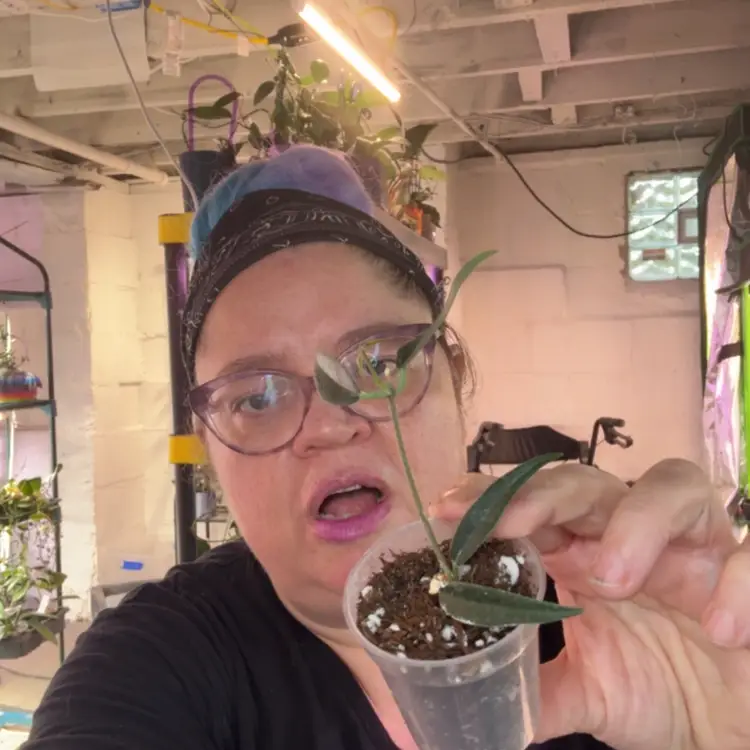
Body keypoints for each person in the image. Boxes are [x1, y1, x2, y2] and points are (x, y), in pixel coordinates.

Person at [25, 145, 750, 750]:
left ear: (456, 380)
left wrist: (716, 727)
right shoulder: (160, 666)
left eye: (378, 362)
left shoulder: (602, 617)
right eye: (257, 397)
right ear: (211, 451)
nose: (329, 424)